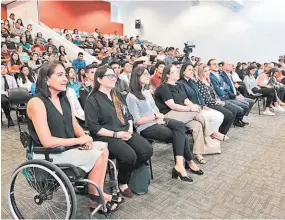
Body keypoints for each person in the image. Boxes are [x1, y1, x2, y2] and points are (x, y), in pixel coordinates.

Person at [26, 61, 123, 214]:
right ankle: (95, 195)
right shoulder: (36, 102)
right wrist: (79, 141)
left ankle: (95, 195)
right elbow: (47, 141)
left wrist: (85, 138)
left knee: (103, 147)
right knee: (98, 154)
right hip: (49, 153)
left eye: (65, 75)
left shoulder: (63, 98)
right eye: (60, 75)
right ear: (46, 80)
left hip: (67, 147)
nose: (65, 78)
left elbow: (74, 124)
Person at [85, 66, 153, 198]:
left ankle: (122, 172)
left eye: (114, 76)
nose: (113, 78)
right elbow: (94, 127)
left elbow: (128, 116)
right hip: (105, 135)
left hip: (124, 130)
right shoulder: (92, 99)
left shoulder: (116, 95)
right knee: (129, 156)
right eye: (109, 76)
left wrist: (129, 128)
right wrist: (116, 134)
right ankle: (122, 183)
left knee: (147, 150)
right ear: (99, 79)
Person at [126, 66, 203, 182]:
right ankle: (187, 163)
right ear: (137, 77)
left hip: (157, 121)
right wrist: (155, 116)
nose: (148, 76)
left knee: (180, 127)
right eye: (145, 74)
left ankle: (180, 165)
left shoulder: (146, 92)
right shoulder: (131, 96)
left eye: (148, 73)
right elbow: (137, 120)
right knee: (180, 135)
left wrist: (158, 117)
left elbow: (155, 108)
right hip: (145, 127)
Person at [154, 64, 223, 164]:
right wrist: (191, 108)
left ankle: (198, 154)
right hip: (168, 115)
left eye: (177, 71)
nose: (177, 73)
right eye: (174, 72)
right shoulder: (163, 88)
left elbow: (186, 100)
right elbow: (173, 106)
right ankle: (212, 132)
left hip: (181, 113)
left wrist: (194, 106)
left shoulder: (179, 85)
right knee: (195, 112)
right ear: (167, 75)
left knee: (198, 125)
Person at [178, 63, 226, 137]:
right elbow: (185, 100)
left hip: (200, 106)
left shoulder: (192, 82)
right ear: (183, 72)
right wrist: (197, 107)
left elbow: (199, 96)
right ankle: (210, 136)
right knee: (217, 116)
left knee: (220, 115)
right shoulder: (180, 83)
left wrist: (203, 105)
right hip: (191, 109)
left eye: (192, 70)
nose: (191, 72)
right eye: (189, 70)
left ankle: (211, 137)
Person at [208, 59, 249, 127]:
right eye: (214, 64)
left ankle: (238, 120)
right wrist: (224, 90)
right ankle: (236, 121)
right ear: (209, 66)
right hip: (223, 98)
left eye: (217, 64)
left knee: (246, 104)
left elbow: (226, 87)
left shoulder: (218, 75)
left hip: (228, 96)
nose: (216, 65)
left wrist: (224, 89)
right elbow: (219, 91)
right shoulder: (211, 76)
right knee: (241, 107)